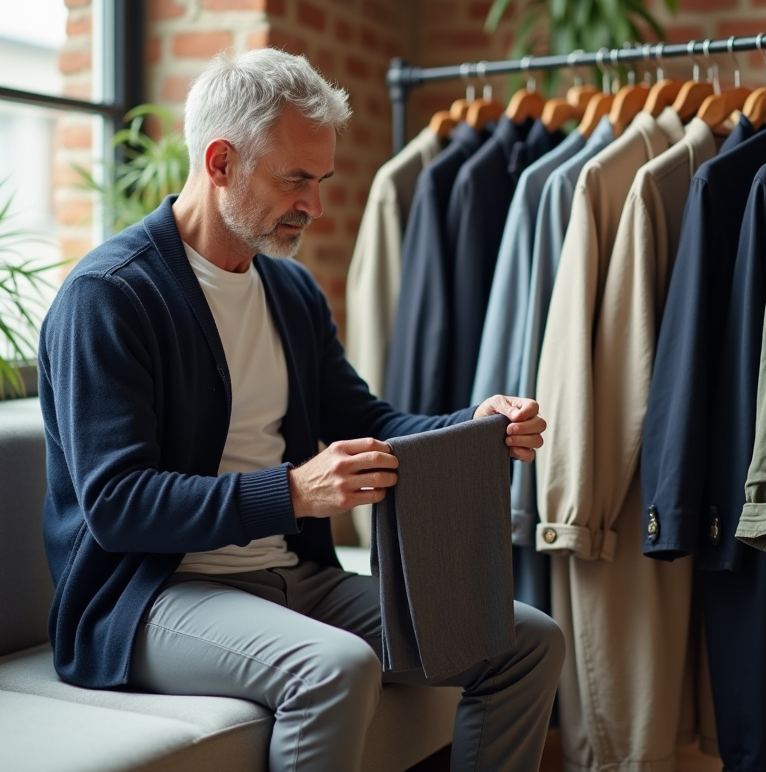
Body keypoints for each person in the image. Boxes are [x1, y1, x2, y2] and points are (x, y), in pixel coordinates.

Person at [38, 48, 564, 772]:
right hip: (148, 598)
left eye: (321, 180)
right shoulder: (110, 295)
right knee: (334, 668)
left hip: (293, 579)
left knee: (527, 641)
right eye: (295, 180)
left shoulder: (290, 293)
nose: (314, 205)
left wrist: (476, 424)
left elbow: (368, 423)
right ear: (220, 162)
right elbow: (119, 505)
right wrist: (291, 492)